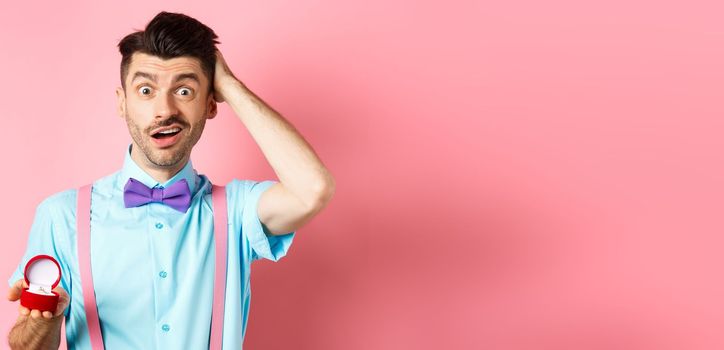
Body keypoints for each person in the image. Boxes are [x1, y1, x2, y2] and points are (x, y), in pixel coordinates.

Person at [5, 11, 335, 350]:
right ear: (123, 103)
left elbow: (312, 190)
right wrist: (44, 321)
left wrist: (231, 87)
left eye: (184, 91)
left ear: (210, 104)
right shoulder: (62, 216)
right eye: (146, 90)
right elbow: (26, 346)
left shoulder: (237, 211)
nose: (164, 110)